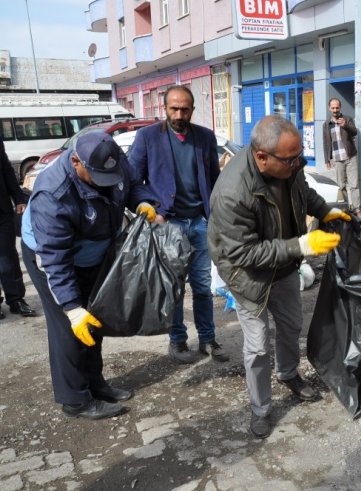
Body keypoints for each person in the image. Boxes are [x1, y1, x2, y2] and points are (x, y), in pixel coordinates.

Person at [208, 115, 351, 439]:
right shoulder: (232, 193)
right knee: (257, 347)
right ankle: (260, 409)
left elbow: (302, 190)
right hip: (248, 277)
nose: (297, 163)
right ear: (262, 158)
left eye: (299, 156)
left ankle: (288, 373)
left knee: (291, 325)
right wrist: (301, 244)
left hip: (284, 266)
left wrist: (324, 209)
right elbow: (244, 253)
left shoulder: (286, 163)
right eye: (291, 160)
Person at [20, 132, 156, 419]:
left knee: (95, 320)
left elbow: (131, 185)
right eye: (96, 177)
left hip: (95, 252)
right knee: (71, 328)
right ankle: (75, 399)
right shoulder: (53, 195)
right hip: (52, 258)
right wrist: (71, 307)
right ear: (75, 162)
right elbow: (54, 259)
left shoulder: (111, 159)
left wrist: (143, 201)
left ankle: (96, 384)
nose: (105, 183)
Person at [129, 85, 227, 364]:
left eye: (185, 109)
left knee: (202, 286)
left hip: (199, 223)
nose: (179, 113)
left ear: (192, 110)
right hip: (167, 225)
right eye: (174, 108)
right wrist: (149, 208)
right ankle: (178, 340)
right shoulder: (147, 137)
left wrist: (217, 214)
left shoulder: (204, 137)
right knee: (173, 288)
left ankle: (207, 339)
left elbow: (214, 179)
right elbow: (132, 181)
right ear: (165, 109)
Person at [0, 134, 36, 319]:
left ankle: (16, 300)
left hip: (2, 210)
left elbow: (6, 168)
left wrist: (19, 197)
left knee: (8, 256)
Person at [322, 98, 361, 216]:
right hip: (337, 158)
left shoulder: (347, 119)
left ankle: (356, 209)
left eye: (337, 107)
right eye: (333, 108)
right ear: (329, 108)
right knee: (341, 185)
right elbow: (326, 142)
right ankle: (346, 208)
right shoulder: (326, 124)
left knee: (354, 185)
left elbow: (355, 132)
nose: (335, 110)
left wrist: (345, 126)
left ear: (340, 107)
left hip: (350, 156)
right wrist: (326, 159)